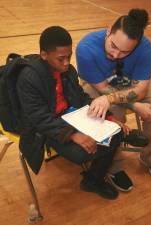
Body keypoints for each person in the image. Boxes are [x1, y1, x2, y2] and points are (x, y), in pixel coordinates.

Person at [16, 26, 126, 200]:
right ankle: (95, 176)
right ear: (44, 55)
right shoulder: (29, 78)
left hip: (72, 115)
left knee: (116, 132)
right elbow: (39, 118)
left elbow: (80, 97)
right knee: (82, 153)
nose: (67, 62)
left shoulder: (68, 71)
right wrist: (73, 135)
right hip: (47, 126)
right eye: (61, 58)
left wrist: (108, 117)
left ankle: (93, 179)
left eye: (69, 56)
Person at [76, 8, 151, 192]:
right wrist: (136, 106)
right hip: (99, 85)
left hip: (130, 86)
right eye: (113, 46)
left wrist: (138, 102)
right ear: (108, 30)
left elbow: (141, 90)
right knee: (111, 114)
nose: (116, 55)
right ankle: (114, 166)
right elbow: (103, 89)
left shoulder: (145, 46)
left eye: (125, 52)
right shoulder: (85, 49)